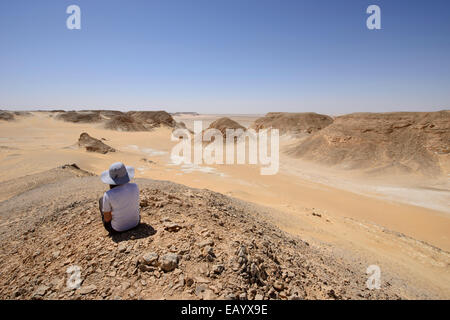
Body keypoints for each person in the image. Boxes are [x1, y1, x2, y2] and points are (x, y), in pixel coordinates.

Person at [99, 162, 140, 234]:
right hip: (136, 223)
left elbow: (107, 219)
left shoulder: (108, 195)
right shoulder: (135, 186)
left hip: (117, 229)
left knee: (101, 200)